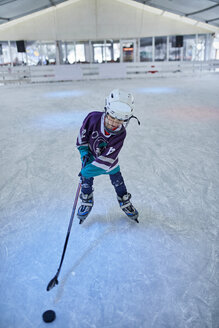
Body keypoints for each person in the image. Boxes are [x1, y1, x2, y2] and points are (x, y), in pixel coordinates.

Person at [76, 89, 140, 224]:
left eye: (120, 121)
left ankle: (123, 198)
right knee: (86, 179)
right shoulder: (92, 118)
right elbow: (83, 137)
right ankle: (87, 197)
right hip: (90, 156)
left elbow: (106, 161)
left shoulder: (120, 133)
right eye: (111, 118)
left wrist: (85, 171)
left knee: (118, 180)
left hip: (109, 161)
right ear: (106, 110)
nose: (114, 123)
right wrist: (84, 152)